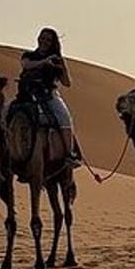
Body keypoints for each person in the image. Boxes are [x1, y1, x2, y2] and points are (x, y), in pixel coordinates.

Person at [19, 27, 82, 171]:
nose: (44, 41)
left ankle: (69, 154)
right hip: (26, 96)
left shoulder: (56, 60)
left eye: (48, 39)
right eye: (43, 37)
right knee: (5, 113)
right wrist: (44, 61)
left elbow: (67, 83)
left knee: (64, 118)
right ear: (38, 38)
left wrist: (63, 67)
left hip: (48, 96)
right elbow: (26, 65)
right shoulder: (29, 55)